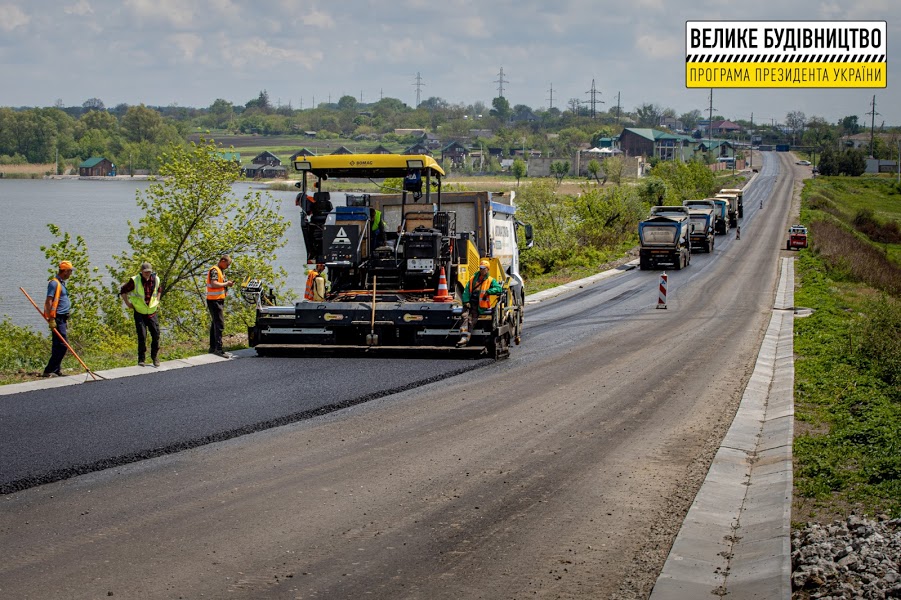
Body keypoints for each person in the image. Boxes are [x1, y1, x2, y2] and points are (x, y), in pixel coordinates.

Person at [119, 261, 163, 367]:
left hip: (152, 311)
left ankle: (155, 357)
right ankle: (141, 359)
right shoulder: (135, 280)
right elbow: (123, 290)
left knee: (156, 334)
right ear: (141, 272)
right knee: (142, 336)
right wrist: (128, 303)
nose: (147, 274)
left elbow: (159, 290)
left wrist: (157, 300)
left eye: (149, 272)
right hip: (140, 312)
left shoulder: (155, 279)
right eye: (145, 272)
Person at [457, 258, 504, 346]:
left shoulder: (490, 280)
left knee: (471, 321)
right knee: (464, 317)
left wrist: (489, 291)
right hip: (470, 303)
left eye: (484, 268)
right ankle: (463, 337)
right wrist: (466, 301)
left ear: (487, 269)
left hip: (479, 305)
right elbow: (466, 290)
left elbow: (499, 289)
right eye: (481, 268)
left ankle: (466, 338)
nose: (482, 270)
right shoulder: (473, 279)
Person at [42, 260, 73, 377]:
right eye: (70, 271)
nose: (71, 274)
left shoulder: (61, 283)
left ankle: (56, 370)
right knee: (63, 344)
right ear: (64, 271)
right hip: (57, 318)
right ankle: (49, 369)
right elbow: (48, 301)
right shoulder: (54, 283)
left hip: (63, 318)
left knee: (57, 345)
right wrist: (51, 319)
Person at [206, 255, 234, 358]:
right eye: (227, 264)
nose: (227, 267)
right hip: (214, 300)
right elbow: (214, 284)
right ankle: (219, 349)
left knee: (215, 323)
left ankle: (212, 347)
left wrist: (227, 284)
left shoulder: (221, 270)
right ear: (222, 261)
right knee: (219, 324)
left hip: (217, 299)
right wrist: (226, 283)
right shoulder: (215, 270)